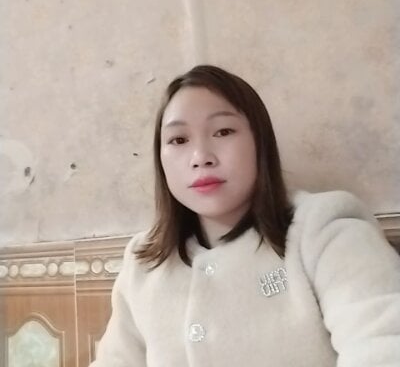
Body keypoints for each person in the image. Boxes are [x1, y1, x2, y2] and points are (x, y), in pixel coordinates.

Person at [90, 65, 400, 367]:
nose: (201, 157)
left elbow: (383, 344)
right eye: (179, 140)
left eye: (223, 131)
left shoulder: (326, 230)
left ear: (260, 143)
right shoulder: (144, 262)